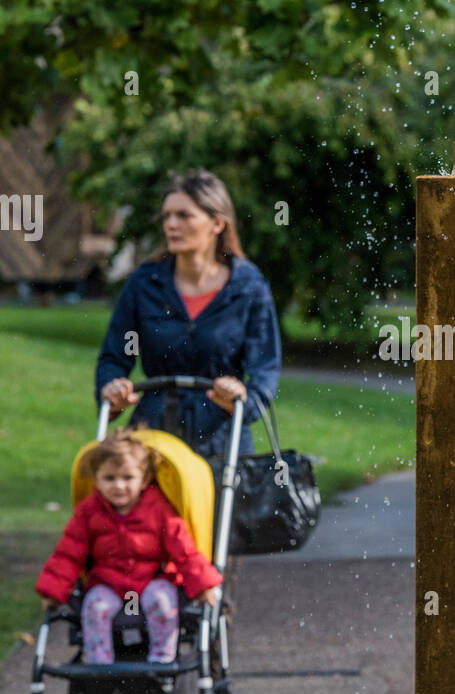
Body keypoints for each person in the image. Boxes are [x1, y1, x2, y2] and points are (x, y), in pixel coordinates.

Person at [96, 169, 282, 457]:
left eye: (184, 215)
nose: (171, 224)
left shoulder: (248, 288)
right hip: (152, 441)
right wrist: (111, 390)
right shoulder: (144, 284)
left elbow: (265, 368)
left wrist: (244, 400)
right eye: (167, 215)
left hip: (222, 443)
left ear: (217, 223)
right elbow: (113, 357)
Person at [35, 429, 221, 665]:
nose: (119, 486)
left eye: (127, 478)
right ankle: (99, 664)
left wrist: (203, 585)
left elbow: (183, 549)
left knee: (163, 602)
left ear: (144, 479)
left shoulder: (159, 510)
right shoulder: (89, 511)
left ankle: (162, 659)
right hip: (110, 583)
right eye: (109, 478)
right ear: (97, 480)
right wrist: (53, 591)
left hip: (147, 583)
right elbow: (69, 552)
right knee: (95, 607)